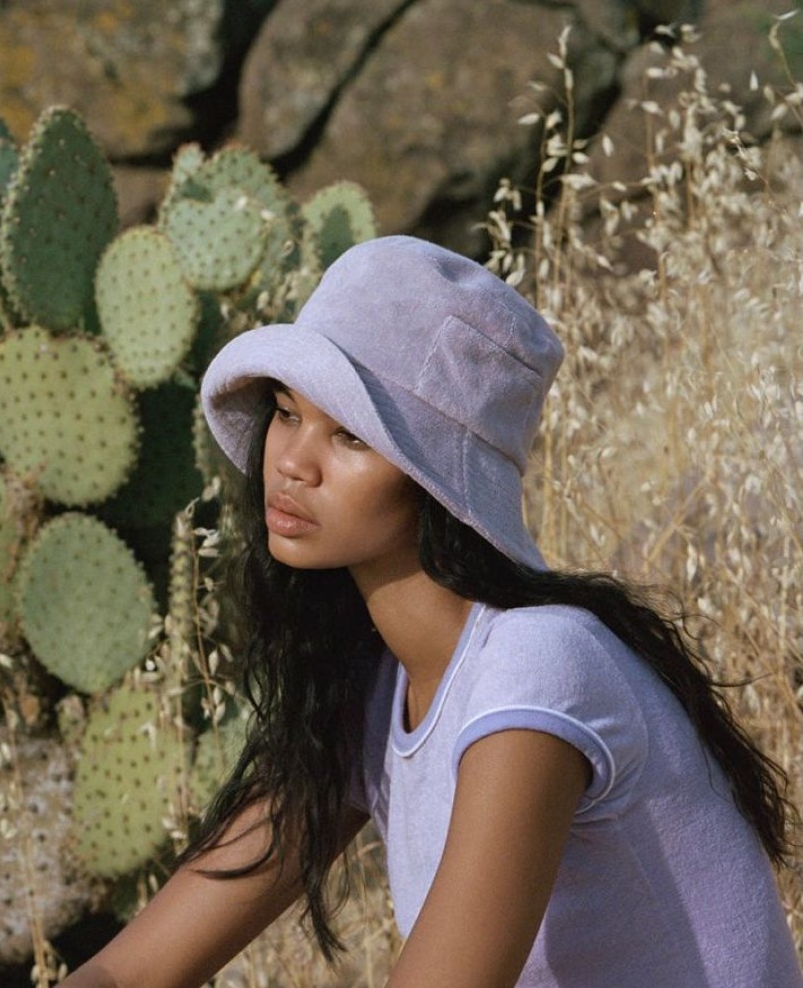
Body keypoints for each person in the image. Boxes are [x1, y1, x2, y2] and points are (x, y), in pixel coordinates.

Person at [65, 236, 802, 988]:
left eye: (350, 433)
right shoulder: (371, 687)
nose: (291, 462)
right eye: (287, 412)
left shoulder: (536, 666)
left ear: (438, 486)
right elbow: (131, 972)